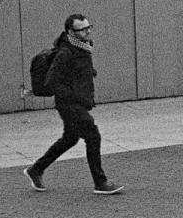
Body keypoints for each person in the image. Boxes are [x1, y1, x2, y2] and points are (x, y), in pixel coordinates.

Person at [24, 14, 123, 195]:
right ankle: (100, 183)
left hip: (77, 102)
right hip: (70, 104)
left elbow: (75, 72)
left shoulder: (82, 47)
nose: (88, 31)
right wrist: (73, 97)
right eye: (83, 29)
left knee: (70, 138)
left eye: (89, 27)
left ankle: (36, 170)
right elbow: (52, 81)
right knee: (93, 136)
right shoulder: (66, 53)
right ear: (71, 32)